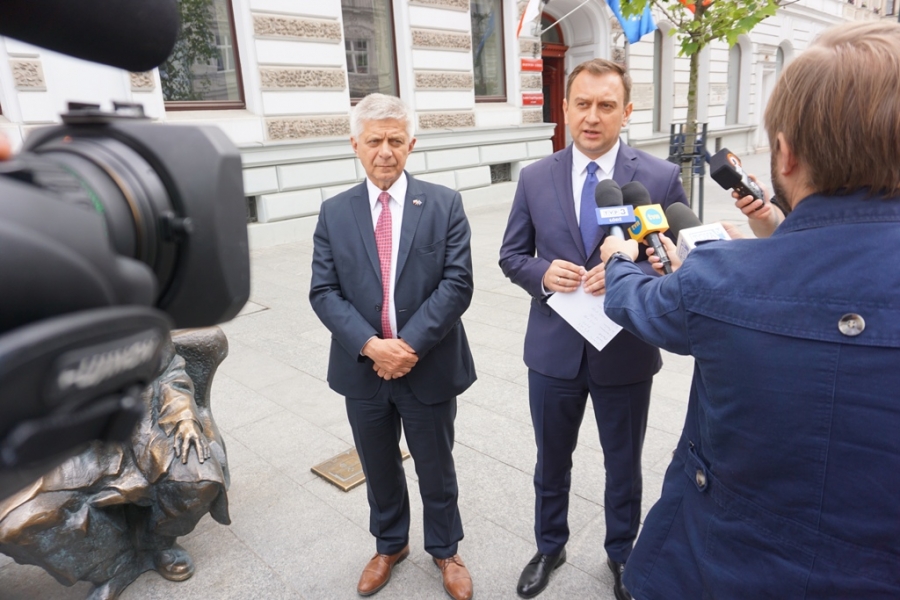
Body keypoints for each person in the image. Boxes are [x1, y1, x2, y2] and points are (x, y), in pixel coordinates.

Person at [598, 20, 900, 599]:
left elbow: (633, 301)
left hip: (717, 567)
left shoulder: (721, 278)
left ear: (783, 155)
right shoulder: (722, 278)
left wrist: (617, 260)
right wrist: (772, 235)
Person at [498, 58, 688, 600]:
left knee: (623, 464)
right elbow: (511, 255)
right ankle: (549, 546)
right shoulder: (535, 176)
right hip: (553, 350)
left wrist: (634, 270)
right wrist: (542, 274)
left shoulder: (658, 177)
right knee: (551, 460)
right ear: (565, 107)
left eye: (606, 105)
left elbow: (674, 258)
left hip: (624, 349)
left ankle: (623, 554)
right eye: (582, 104)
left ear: (626, 112)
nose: (592, 116)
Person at [309, 93, 476, 600]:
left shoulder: (444, 204)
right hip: (363, 369)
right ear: (355, 144)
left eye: (395, 140)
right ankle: (389, 544)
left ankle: (445, 549)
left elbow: (457, 284)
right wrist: (371, 346)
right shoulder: (334, 212)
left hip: (428, 364)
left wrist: (407, 347)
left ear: (411, 144)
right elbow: (323, 291)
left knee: (436, 466)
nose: (385, 151)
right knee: (378, 465)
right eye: (375, 140)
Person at [0, 329, 230, 600]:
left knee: (198, 478)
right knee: (17, 524)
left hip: (145, 425)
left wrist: (184, 418)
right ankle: (113, 565)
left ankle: (157, 543)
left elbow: (169, 372)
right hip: (75, 444)